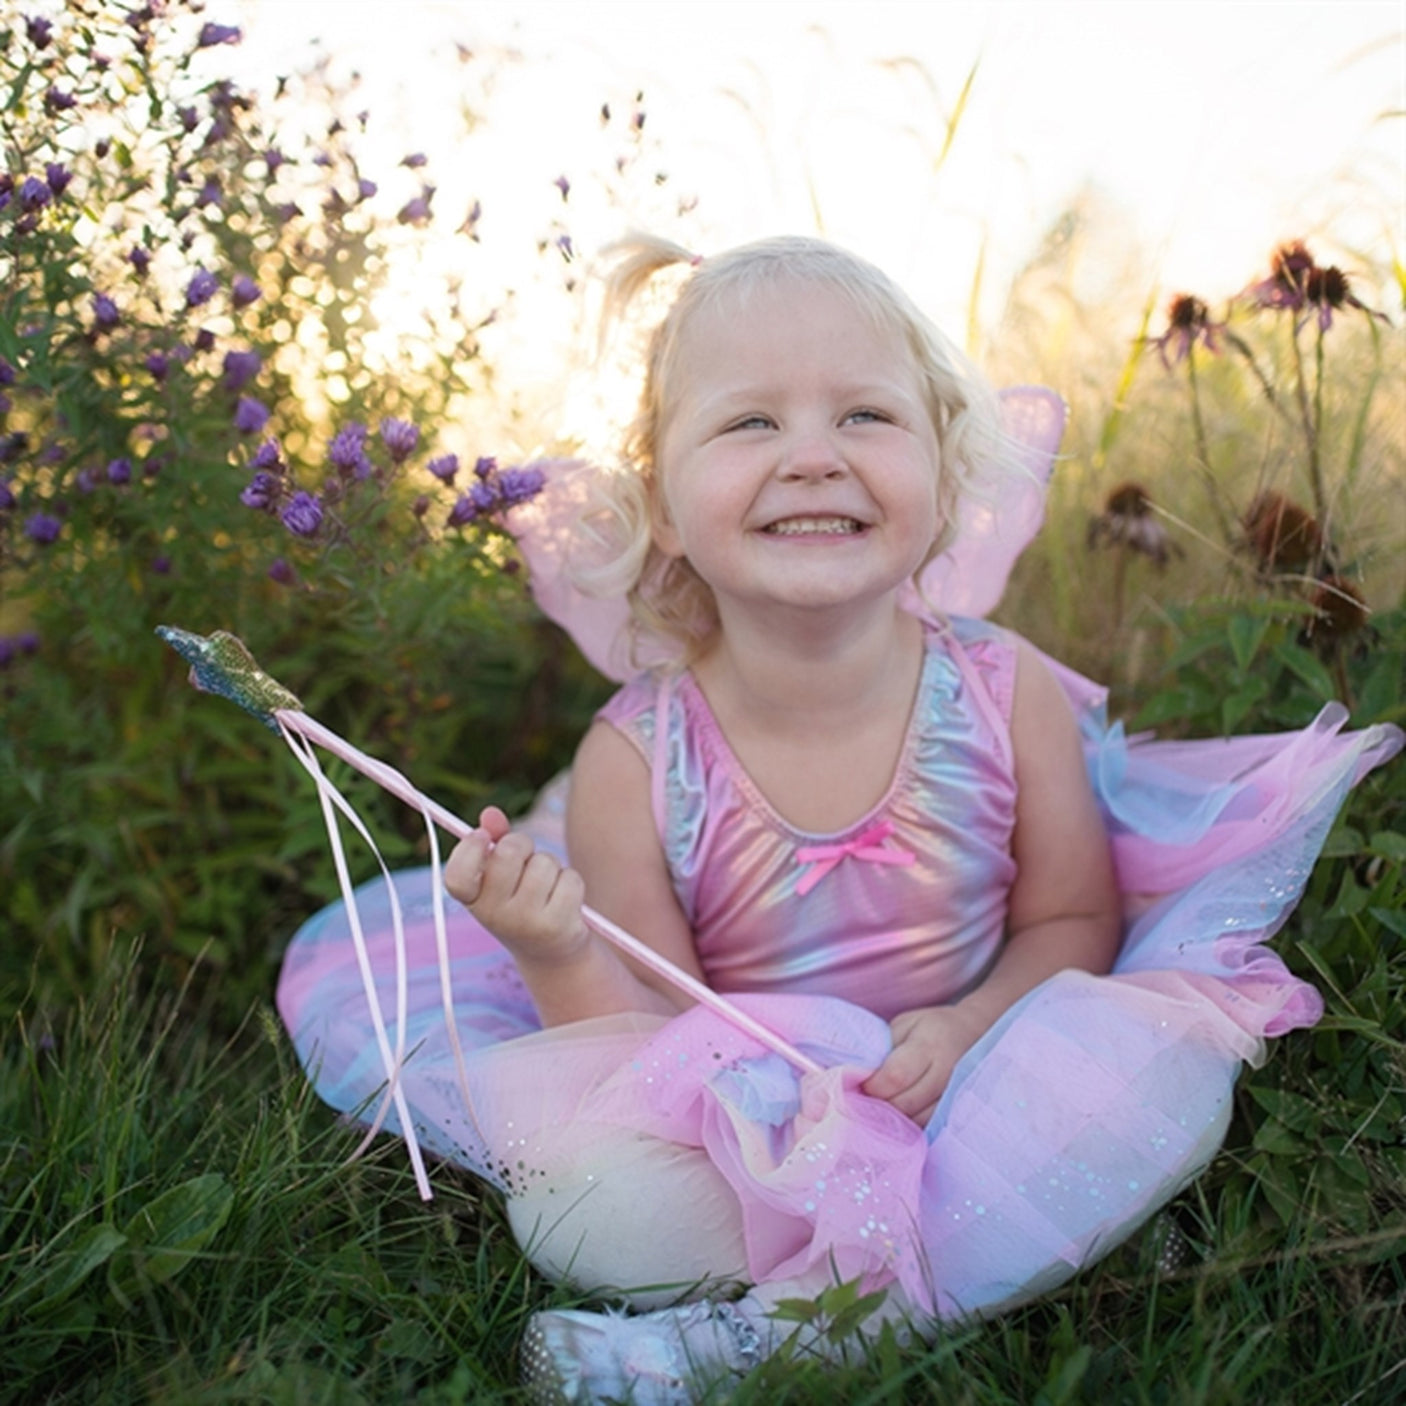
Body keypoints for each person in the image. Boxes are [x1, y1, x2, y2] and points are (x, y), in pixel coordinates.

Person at [275, 236, 1401, 1406]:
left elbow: (1074, 916)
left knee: (1168, 1081)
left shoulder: (1002, 693)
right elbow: (641, 1040)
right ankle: (1000, 1250)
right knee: (575, 1198)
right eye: (748, 424)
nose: (811, 457)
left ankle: (767, 1339)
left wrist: (967, 1024)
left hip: (976, 1069)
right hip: (752, 1123)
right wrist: (555, 949)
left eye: (864, 415)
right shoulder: (632, 761)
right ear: (659, 501)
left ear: (944, 475)